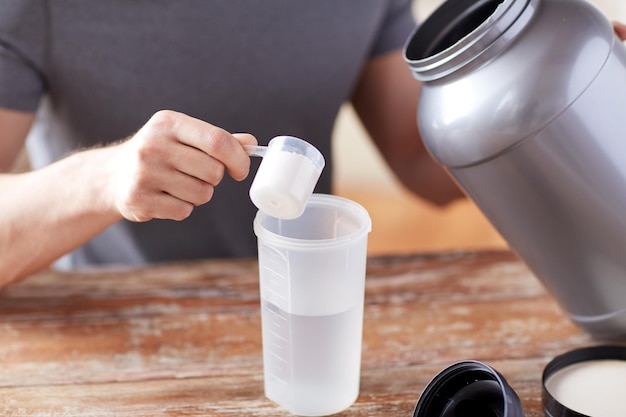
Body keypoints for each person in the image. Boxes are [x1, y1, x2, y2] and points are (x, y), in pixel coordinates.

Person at [0, 2, 624, 287]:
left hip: (312, 296)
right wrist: (104, 180)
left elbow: (419, 158)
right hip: (120, 311)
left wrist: (568, 107)